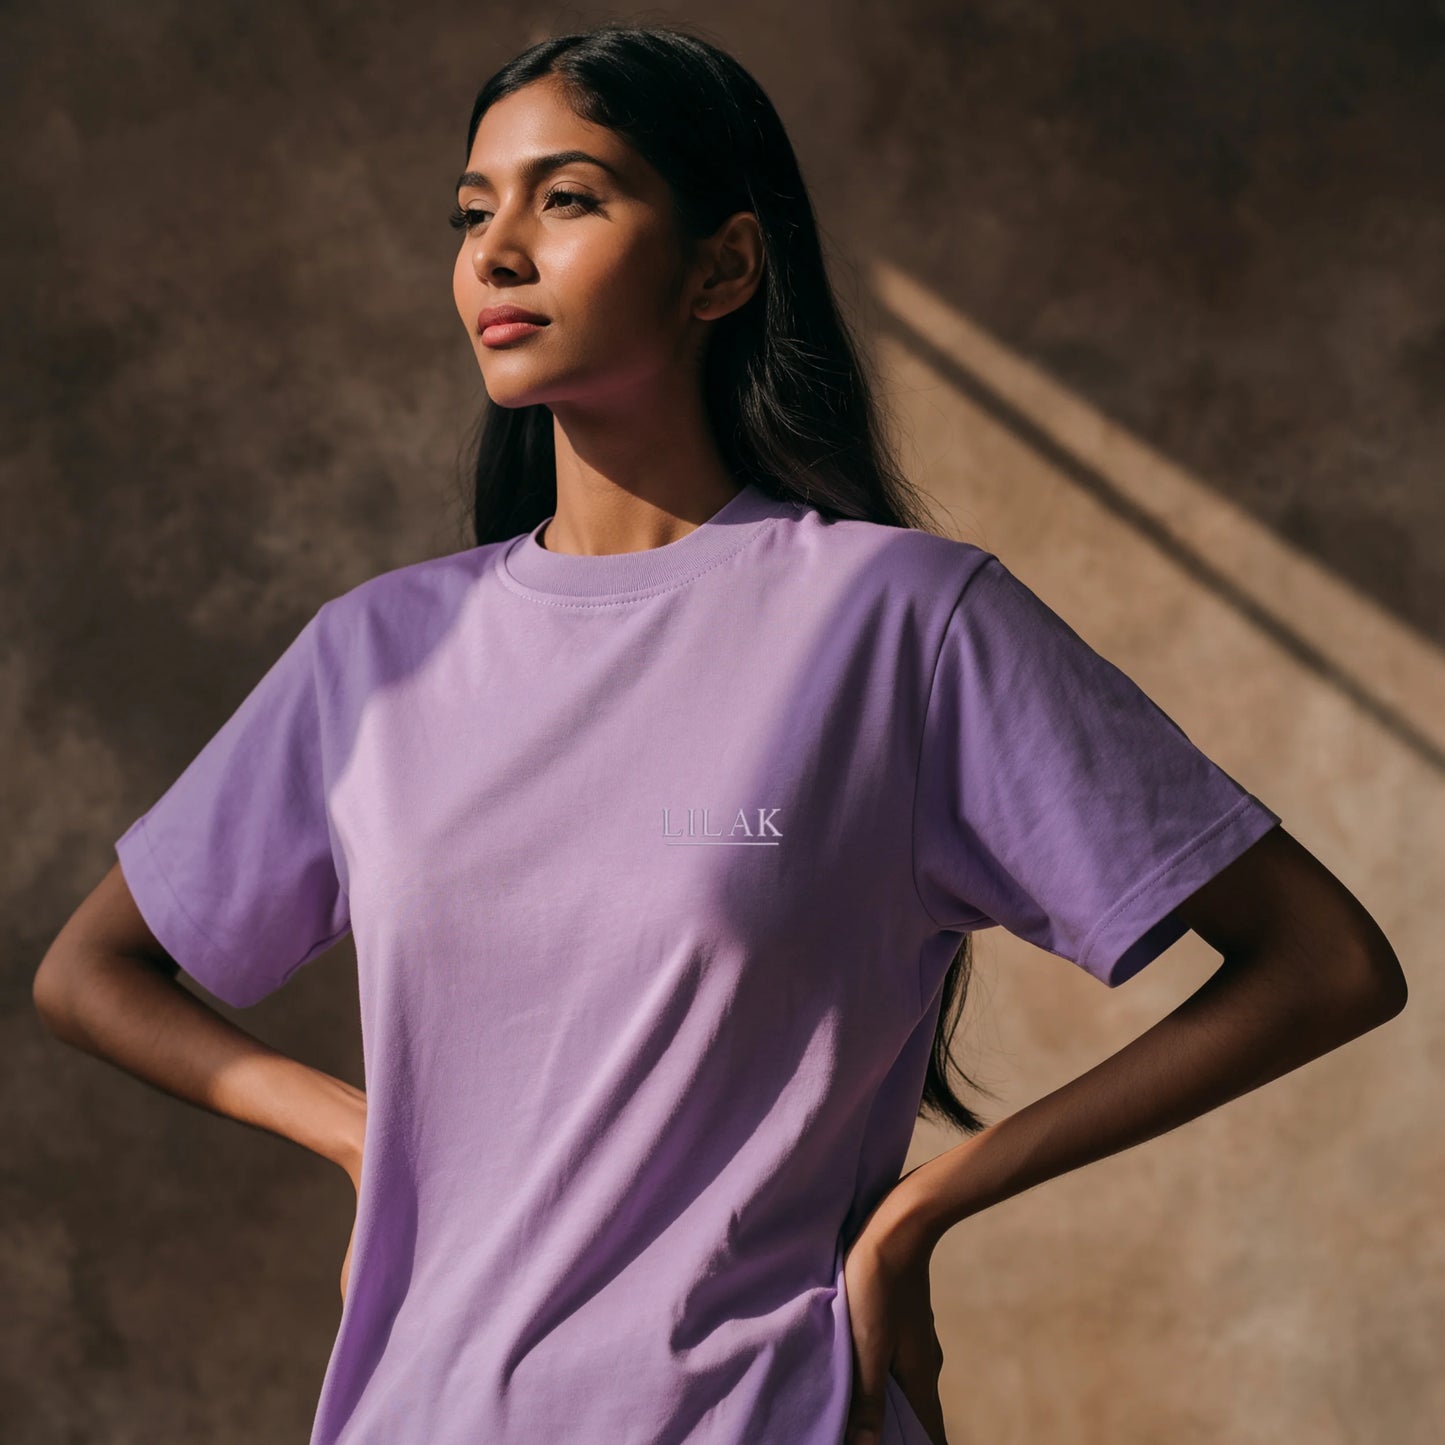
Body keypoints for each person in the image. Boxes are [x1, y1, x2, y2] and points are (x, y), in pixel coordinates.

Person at [32, 22, 1406, 1445]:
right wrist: (358, 1133)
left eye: (565, 198)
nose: (496, 250)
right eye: (471, 210)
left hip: (765, 1412)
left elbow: (1322, 961)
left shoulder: (898, 624)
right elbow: (92, 972)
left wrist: (926, 1203)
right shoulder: (376, 654)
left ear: (722, 267)